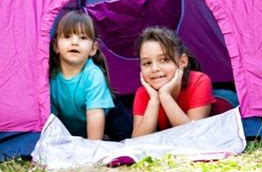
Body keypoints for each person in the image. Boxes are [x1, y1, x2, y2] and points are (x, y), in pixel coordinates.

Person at [49, 10, 131, 140]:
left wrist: (92, 148)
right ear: (56, 46)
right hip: (76, 123)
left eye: (82, 38)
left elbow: (95, 115)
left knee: (126, 138)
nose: (74, 42)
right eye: (67, 36)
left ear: (93, 49)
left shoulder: (93, 74)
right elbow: (52, 118)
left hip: (107, 116)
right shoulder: (51, 78)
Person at [132, 26, 216, 137]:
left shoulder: (200, 81)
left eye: (164, 60)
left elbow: (193, 135)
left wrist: (165, 95)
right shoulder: (143, 93)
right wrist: (154, 100)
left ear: (182, 61)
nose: (154, 69)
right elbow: (137, 140)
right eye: (147, 63)